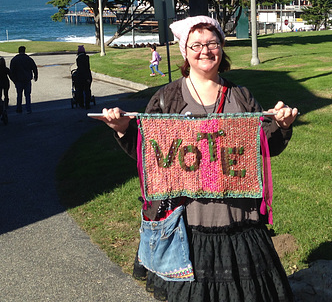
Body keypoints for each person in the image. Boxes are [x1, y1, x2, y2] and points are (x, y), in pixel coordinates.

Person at [97, 15, 299, 302]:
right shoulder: (167, 98)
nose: (205, 51)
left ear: (221, 47)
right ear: (185, 51)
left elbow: (264, 148)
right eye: (196, 45)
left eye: (212, 43)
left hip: (238, 218)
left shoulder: (241, 97)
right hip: (187, 224)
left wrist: (281, 126)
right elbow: (150, 155)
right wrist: (122, 131)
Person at [9, 46, 38, 114]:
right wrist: (35, 76)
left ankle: (19, 109)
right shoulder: (28, 59)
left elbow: (12, 71)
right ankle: (28, 109)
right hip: (27, 79)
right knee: (27, 95)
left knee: (19, 95)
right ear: (24, 51)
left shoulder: (15, 59)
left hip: (18, 80)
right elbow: (34, 67)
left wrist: (14, 80)